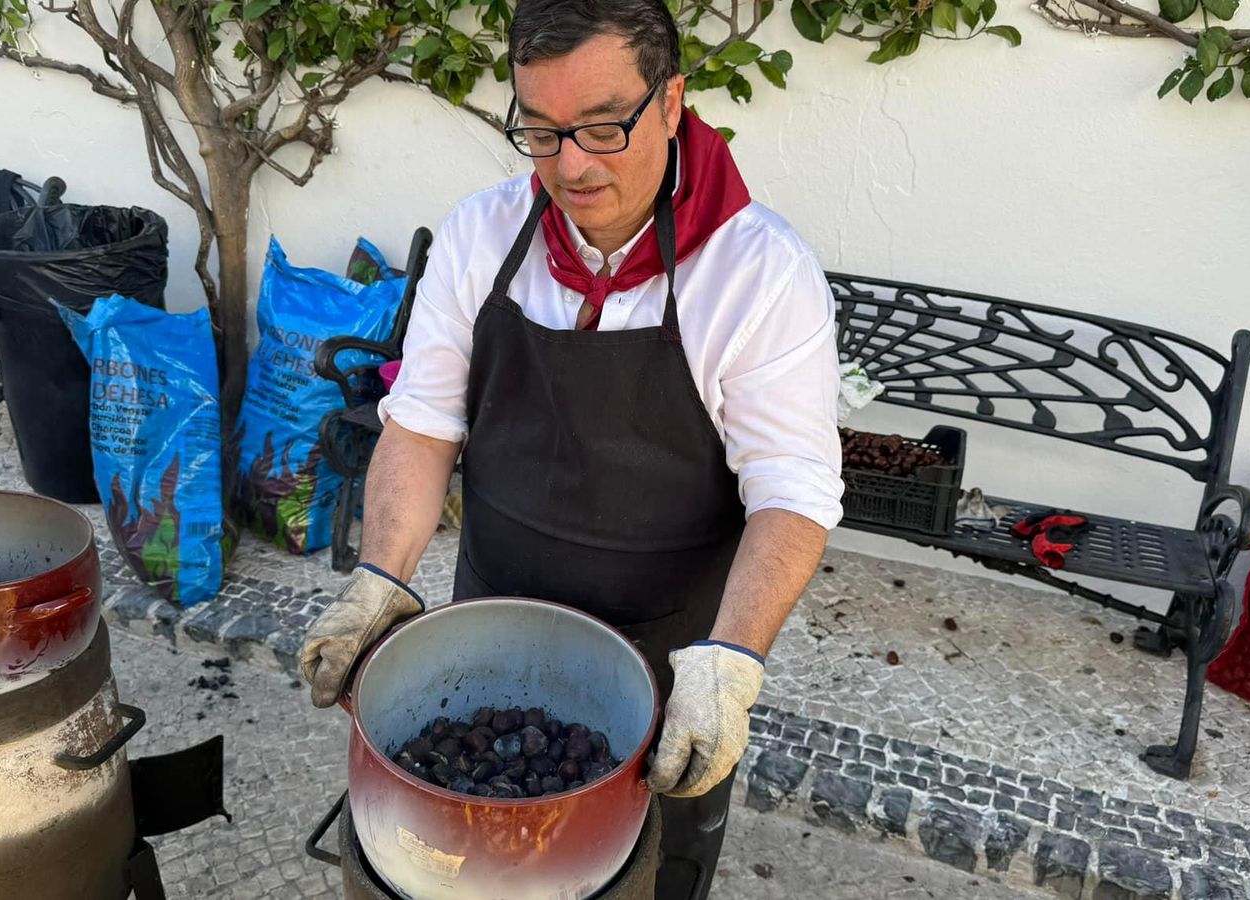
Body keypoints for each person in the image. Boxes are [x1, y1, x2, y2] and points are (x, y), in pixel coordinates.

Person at [300, 1, 843, 895]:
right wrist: (380, 578)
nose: (573, 166)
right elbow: (423, 421)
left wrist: (731, 664)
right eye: (543, 133)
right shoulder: (481, 235)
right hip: (489, 625)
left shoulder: (759, 275)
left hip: (665, 662)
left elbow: (791, 490)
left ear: (672, 101)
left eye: (603, 126)